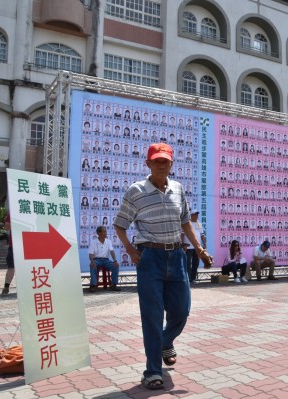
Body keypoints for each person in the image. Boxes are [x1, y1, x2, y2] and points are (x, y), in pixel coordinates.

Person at [113, 142, 213, 390]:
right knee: (153, 316)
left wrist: (199, 249)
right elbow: (120, 224)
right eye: (156, 160)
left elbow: (186, 222)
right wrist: (131, 250)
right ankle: (152, 371)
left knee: (181, 312)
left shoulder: (178, 188)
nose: (160, 164)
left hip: (177, 256)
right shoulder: (135, 191)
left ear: (171, 164)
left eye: (165, 161)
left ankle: (165, 342)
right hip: (150, 259)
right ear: (147, 163)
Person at [87, 226, 121, 293]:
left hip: (106, 260)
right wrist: (92, 261)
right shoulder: (93, 242)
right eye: (104, 232)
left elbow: (111, 251)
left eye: (106, 231)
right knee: (92, 265)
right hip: (96, 260)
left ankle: (113, 285)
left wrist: (115, 260)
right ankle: (93, 285)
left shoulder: (108, 241)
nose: (106, 233)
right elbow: (90, 254)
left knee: (116, 266)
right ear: (99, 233)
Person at [183, 209, 206, 284]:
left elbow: (202, 234)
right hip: (188, 247)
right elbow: (182, 234)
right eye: (195, 214)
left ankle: (193, 279)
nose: (196, 216)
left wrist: (204, 244)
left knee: (196, 263)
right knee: (188, 263)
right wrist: (183, 244)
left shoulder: (199, 223)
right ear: (191, 215)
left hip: (197, 247)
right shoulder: (186, 223)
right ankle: (188, 279)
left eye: (197, 214)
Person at [0, 213, 13, 296]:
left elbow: (7, 226)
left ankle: (6, 287)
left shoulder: (12, 212)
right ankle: (6, 287)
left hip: (17, 245)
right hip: (24, 244)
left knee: (12, 267)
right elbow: (7, 227)